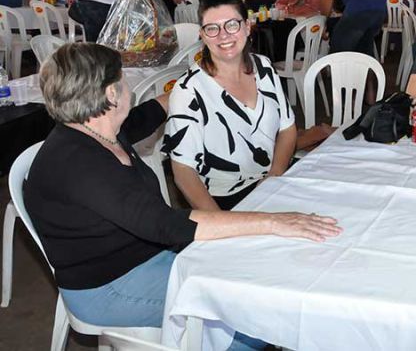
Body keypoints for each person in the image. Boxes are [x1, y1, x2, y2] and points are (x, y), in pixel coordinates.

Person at [24, 42, 340, 347]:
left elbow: (147, 114)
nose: (128, 83)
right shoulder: (81, 166)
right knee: (250, 314)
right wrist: (273, 222)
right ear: (111, 93)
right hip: (109, 286)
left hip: (146, 256)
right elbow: (167, 225)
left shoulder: (99, 129)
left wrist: (196, 84)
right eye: (123, 77)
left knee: (254, 274)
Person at [163, 0, 293, 211]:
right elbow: (183, 172)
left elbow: (287, 129)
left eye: (232, 25)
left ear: (247, 27)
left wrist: (274, 177)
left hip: (274, 179)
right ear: (202, 36)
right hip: (228, 198)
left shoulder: (264, 67)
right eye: (212, 28)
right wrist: (221, 222)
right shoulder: (189, 90)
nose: (223, 35)